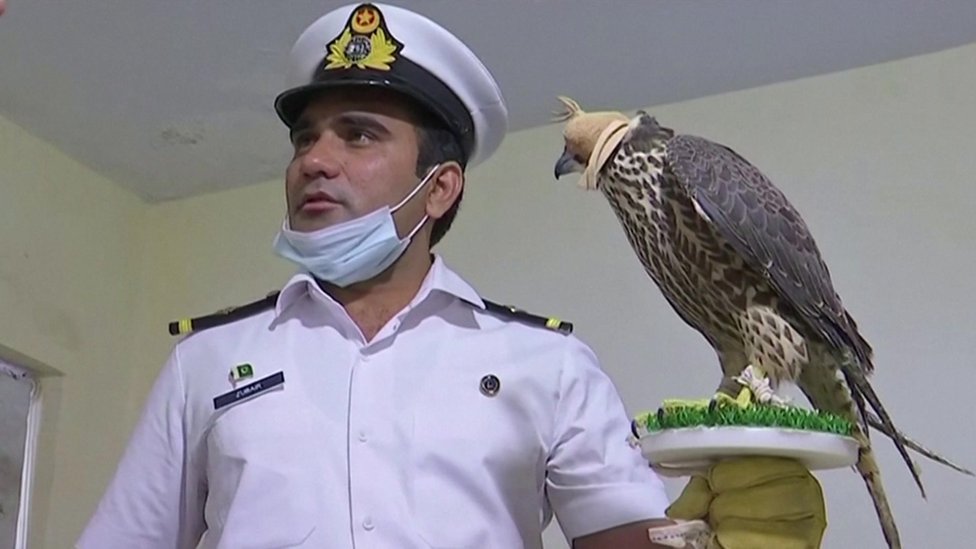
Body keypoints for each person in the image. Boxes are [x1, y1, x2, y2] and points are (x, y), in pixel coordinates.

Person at [77, 3, 826, 548]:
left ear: (439, 188)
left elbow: (623, 539)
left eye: (358, 134)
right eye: (305, 138)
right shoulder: (202, 363)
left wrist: (726, 539)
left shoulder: (548, 364)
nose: (314, 159)